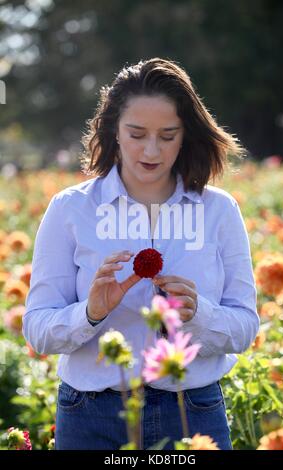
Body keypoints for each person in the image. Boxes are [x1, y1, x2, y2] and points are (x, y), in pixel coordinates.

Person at [23, 57, 260, 450]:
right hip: (91, 415)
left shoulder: (218, 210)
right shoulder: (71, 210)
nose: (151, 150)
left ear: (186, 135)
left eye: (168, 135)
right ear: (113, 130)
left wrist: (198, 313)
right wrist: (91, 313)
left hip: (191, 411)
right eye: (137, 134)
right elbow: (38, 330)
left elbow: (245, 327)